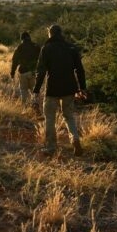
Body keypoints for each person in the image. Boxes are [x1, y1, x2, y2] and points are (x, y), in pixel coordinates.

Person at [33, 24, 87, 156]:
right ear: (61, 33)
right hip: (69, 88)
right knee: (69, 116)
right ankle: (74, 139)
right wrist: (82, 88)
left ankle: (51, 147)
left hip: (52, 88)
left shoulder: (46, 48)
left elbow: (41, 71)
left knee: (50, 118)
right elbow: (80, 70)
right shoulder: (71, 48)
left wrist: (36, 90)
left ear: (50, 34)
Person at [10, 32, 41, 104]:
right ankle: (35, 105)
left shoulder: (19, 47)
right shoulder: (36, 46)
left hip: (23, 72)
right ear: (29, 37)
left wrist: (12, 72)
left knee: (23, 90)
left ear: (22, 39)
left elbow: (15, 61)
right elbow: (41, 60)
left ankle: (25, 106)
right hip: (34, 72)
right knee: (35, 90)